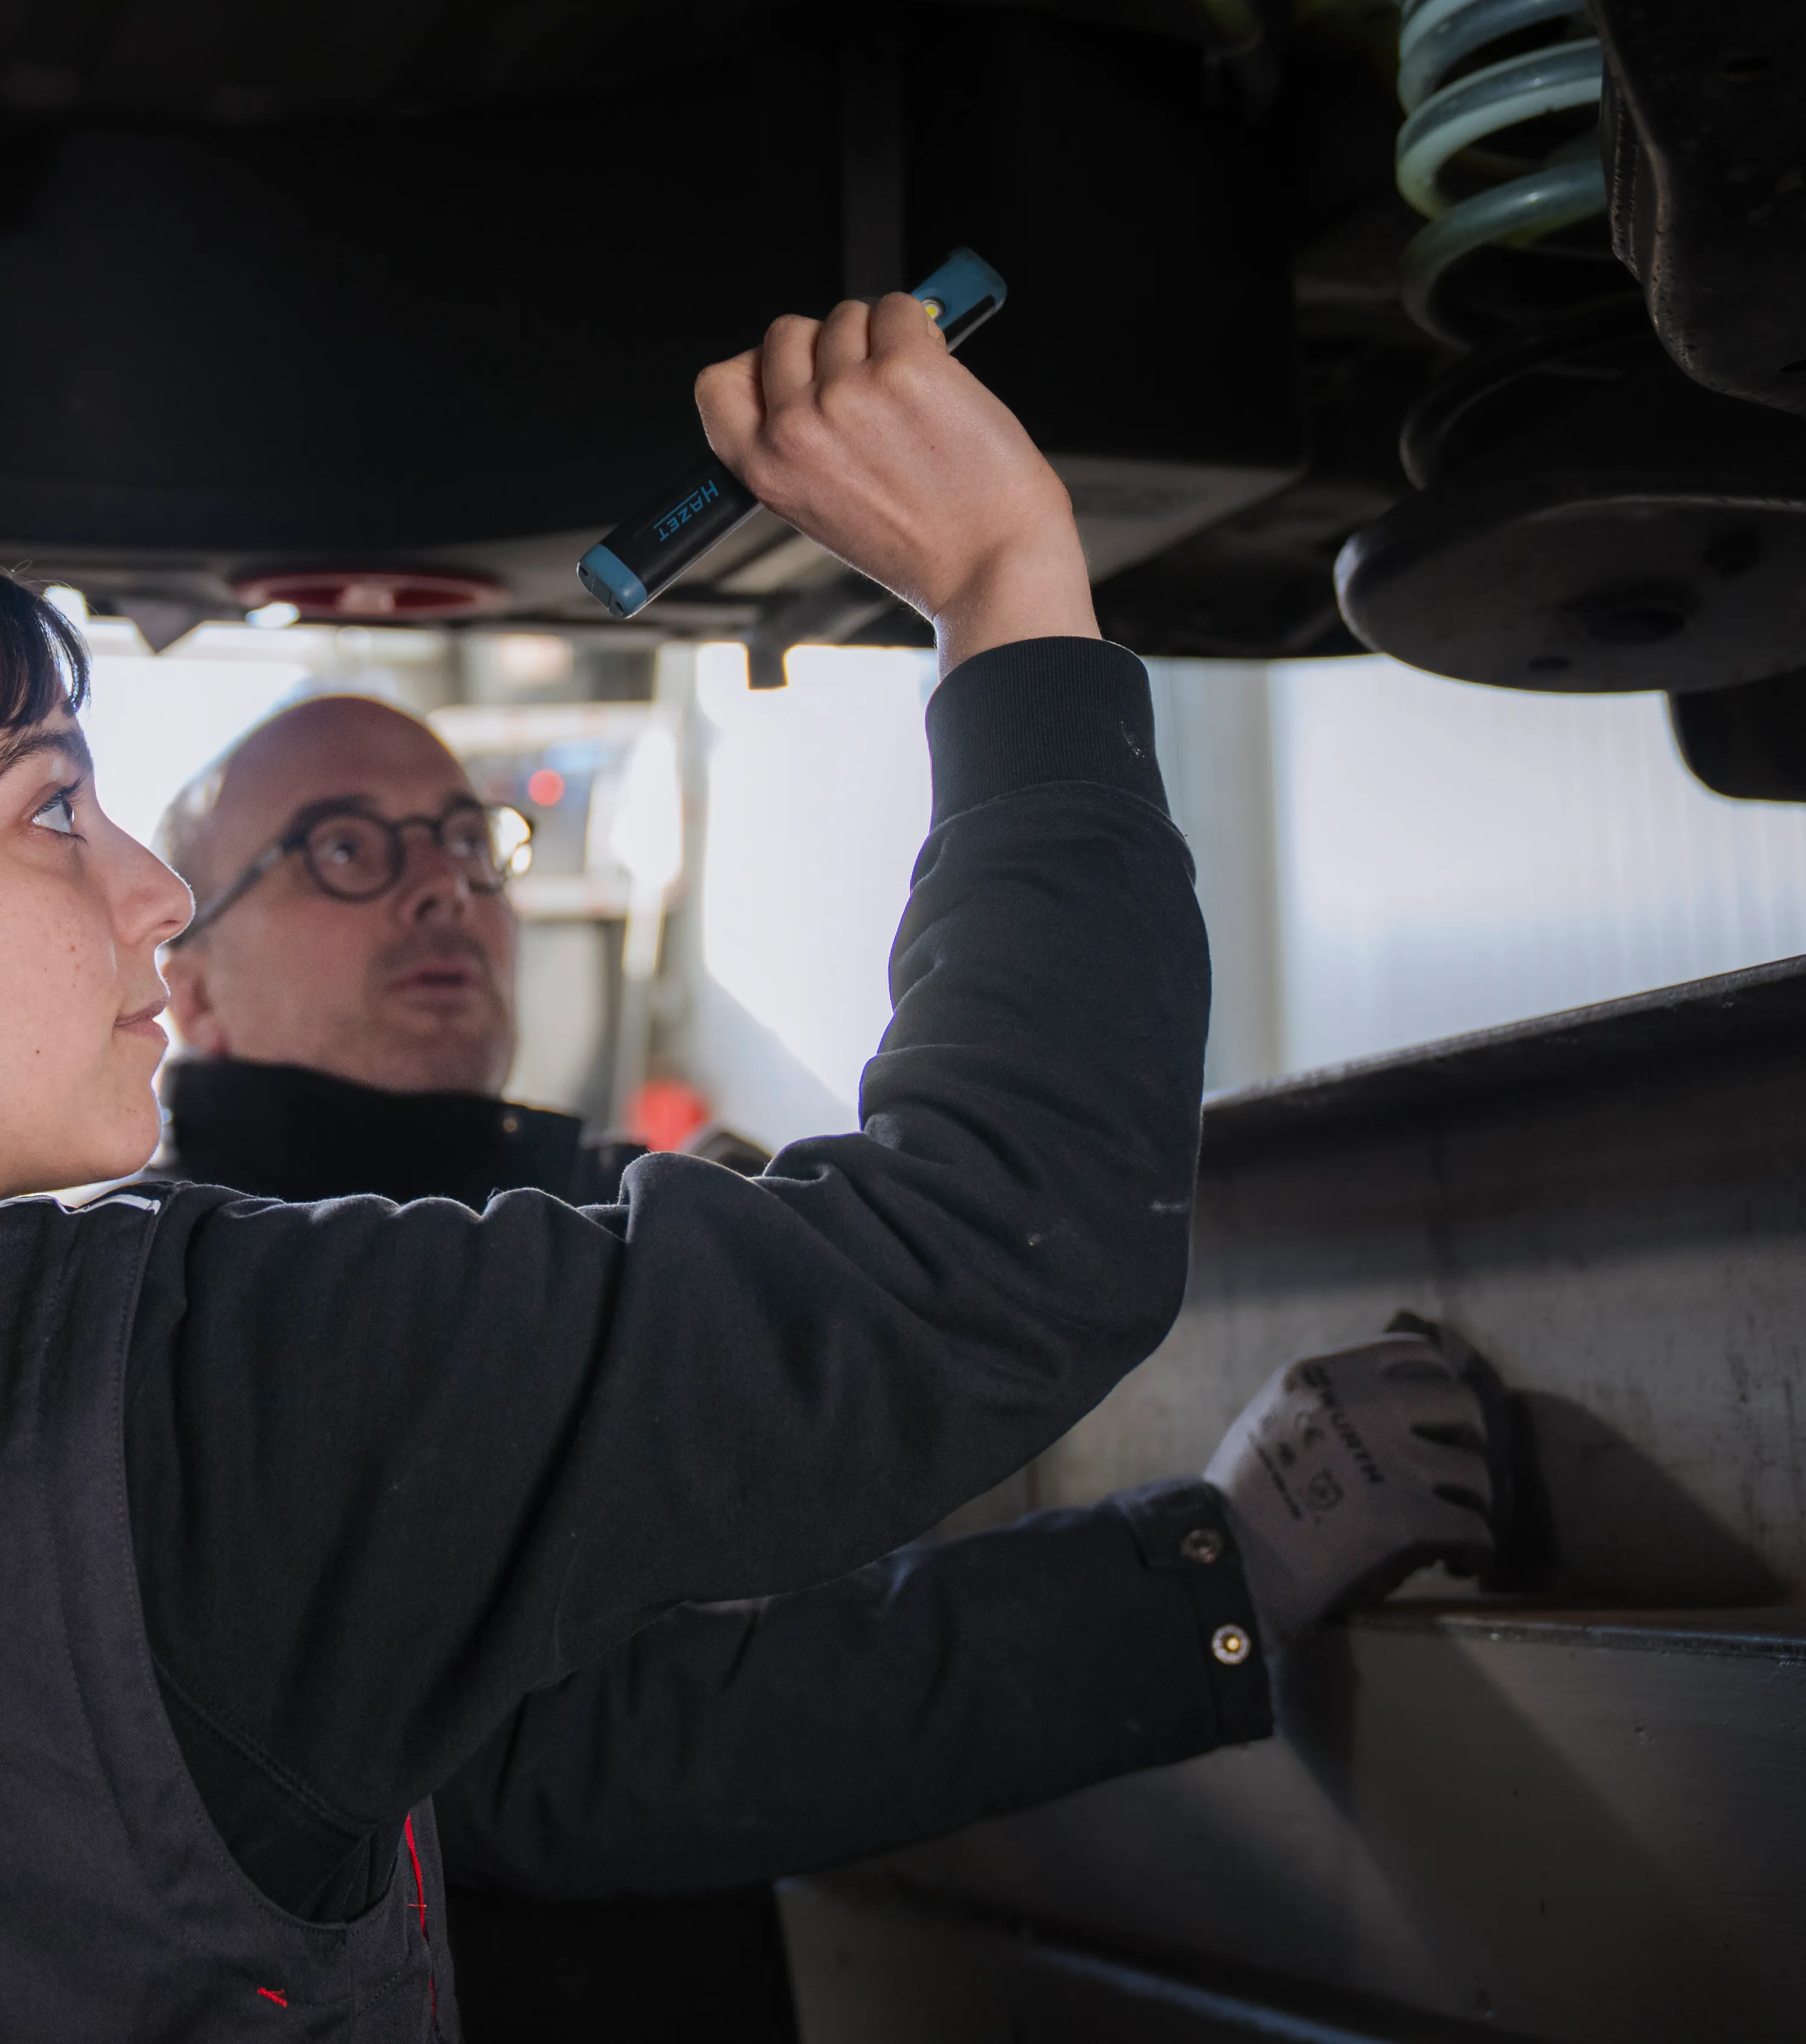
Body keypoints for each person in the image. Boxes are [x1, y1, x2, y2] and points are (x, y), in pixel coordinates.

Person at [0, 294, 1497, 2039]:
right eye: (55, 808)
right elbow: (991, 1256)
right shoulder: (150, 1367)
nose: (147, 897)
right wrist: (1012, 590)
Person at [149, 700, 1504, 2039]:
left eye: (463, 836)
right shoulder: (224, 1316)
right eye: (344, 848)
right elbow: (550, 1763)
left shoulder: (551, 1226)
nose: (441, 884)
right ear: (190, 980)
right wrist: (1207, 1580)